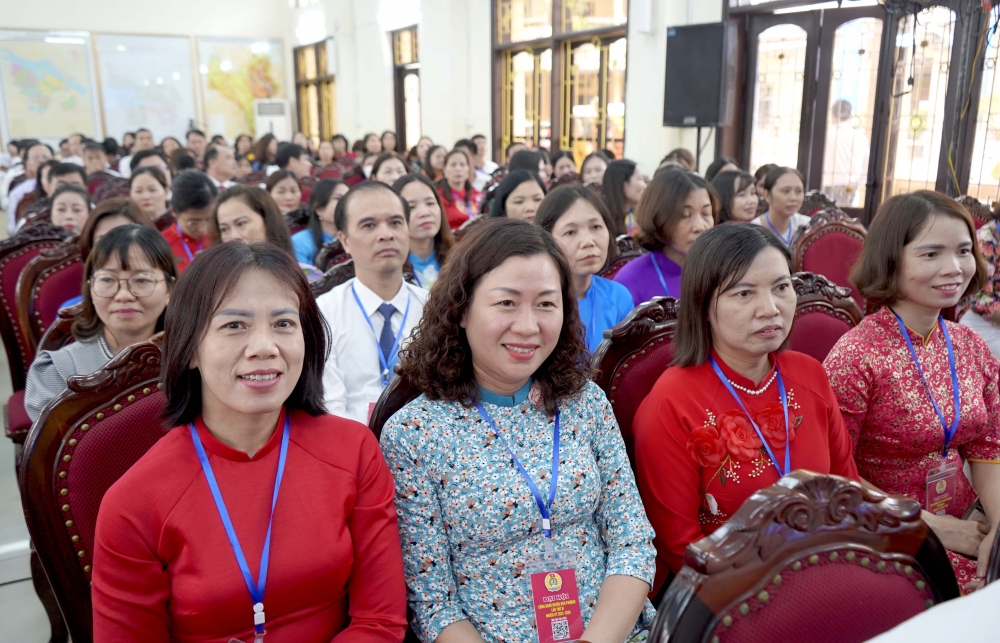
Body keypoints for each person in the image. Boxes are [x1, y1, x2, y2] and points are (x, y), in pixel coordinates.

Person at [91, 241, 408, 641]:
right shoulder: (133, 501)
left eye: (283, 324)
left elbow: (380, 622)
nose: (264, 348)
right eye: (234, 326)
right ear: (189, 349)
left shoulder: (354, 450)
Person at [381, 217, 656, 642]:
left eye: (546, 304)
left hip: (613, 631)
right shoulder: (413, 434)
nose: (528, 326)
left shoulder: (584, 402)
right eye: (507, 303)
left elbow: (632, 544)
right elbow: (433, 604)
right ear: (461, 309)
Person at [634, 223, 859, 594]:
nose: (770, 309)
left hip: (823, 571)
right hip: (728, 593)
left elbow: (846, 492)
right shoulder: (671, 402)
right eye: (744, 293)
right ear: (703, 305)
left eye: (781, 287)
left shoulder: (810, 375)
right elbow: (680, 546)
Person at [824, 191, 1000, 593]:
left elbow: (989, 447)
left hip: (967, 519)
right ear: (891, 259)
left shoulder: (969, 345)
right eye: (931, 254)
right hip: (884, 533)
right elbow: (833, 473)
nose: (954, 268)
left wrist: (997, 527)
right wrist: (931, 526)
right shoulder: (856, 356)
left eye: (963, 251)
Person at [25, 225, 176, 420]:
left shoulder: (193, 359)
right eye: (107, 280)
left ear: (170, 290)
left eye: (141, 280)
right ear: (90, 288)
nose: (123, 295)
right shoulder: (57, 372)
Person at [316, 182, 428, 423]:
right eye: (369, 225)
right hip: (350, 439)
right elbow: (330, 407)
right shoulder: (324, 312)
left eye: (395, 223)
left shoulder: (434, 309)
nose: (386, 234)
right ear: (345, 240)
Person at [537, 185, 633, 351]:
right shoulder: (538, 302)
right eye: (571, 232)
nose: (588, 241)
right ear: (547, 240)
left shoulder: (618, 296)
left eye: (595, 227)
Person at [614, 170, 717, 305]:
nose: (700, 226)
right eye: (685, 215)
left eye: (706, 213)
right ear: (659, 218)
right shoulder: (630, 280)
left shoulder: (721, 271)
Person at [213, 184, 323, 281]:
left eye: (241, 223)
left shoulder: (308, 278)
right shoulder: (216, 282)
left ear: (267, 221)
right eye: (224, 229)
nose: (233, 236)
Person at [393, 173, 454, 289]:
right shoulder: (390, 269)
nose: (425, 213)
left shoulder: (459, 259)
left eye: (430, 203)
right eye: (411, 207)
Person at [165, 171, 217, 273]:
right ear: (173, 211)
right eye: (193, 222)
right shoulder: (163, 245)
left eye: (209, 219)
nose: (203, 229)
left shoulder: (221, 237)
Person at [823, 99, 870, 207]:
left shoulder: (826, 135)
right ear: (850, 116)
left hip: (828, 183)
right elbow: (866, 163)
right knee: (846, 214)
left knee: (827, 214)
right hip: (850, 186)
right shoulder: (860, 137)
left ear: (832, 115)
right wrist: (861, 182)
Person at [292, 179, 349, 266]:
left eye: (348, 198)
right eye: (338, 198)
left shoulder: (356, 238)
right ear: (318, 208)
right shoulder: (299, 242)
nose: (345, 204)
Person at [752, 166, 809, 247]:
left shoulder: (808, 226)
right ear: (767, 195)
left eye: (799, 191)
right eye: (786, 191)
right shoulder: (754, 231)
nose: (793, 198)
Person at [7, 141, 53, 232]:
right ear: (27, 163)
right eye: (35, 158)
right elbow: (12, 228)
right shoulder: (19, 192)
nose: (41, 161)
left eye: (45, 157)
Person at [437, 149, 483, 229]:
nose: (458, 169)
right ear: (445, 169)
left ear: (468, 168)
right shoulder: (439, 197)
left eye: (462, 164)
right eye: (453, 165)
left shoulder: (478, 195)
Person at [604, 159, 647, 236]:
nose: (645, 186)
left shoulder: (636, 216)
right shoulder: (605, 219)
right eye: (640, 179)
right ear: (623, 184)